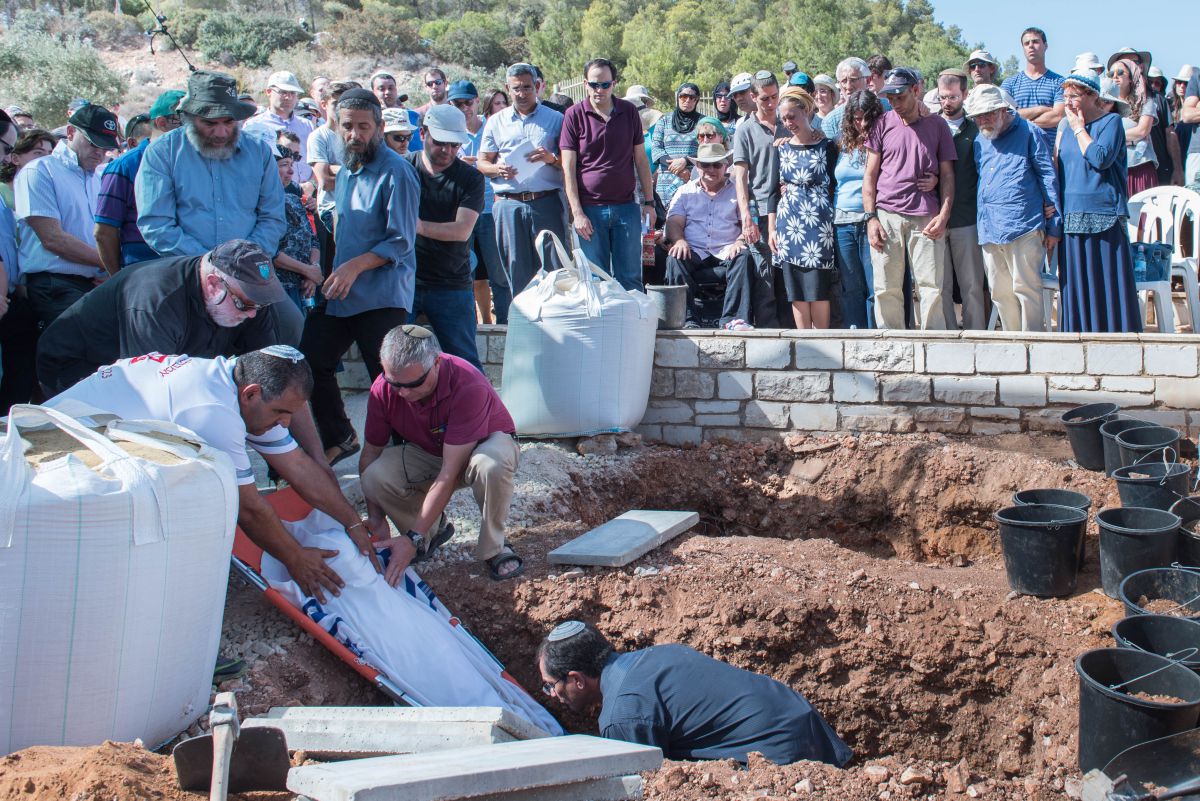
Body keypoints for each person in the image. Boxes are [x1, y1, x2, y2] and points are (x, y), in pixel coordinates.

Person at [46, 346, 381, 602]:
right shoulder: (214, 412)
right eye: (281, 413)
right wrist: (295, 558)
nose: (286, 423)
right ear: (251, 393)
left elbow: (299, 468)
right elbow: (248, 508)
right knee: (205, 497)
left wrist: (352, 522)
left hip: (97, 437)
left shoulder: (240, 389)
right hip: (58, 451)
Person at [537, 620, 852, 767]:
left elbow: (649, 783)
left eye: (551, 684)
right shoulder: (655, 656)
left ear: (577, 679)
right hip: (798, 716)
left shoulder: (622, 715)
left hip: (777, 755)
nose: (550, 694)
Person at [300, 88, 420, 467]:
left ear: (380, 127)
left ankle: (408, 458)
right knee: (310, 361)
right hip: (343, 290)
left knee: (389, 379)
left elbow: (400, 242)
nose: (354, 134)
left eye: (363, 127)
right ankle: (340, 436)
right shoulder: (347, 169)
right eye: (347, 126)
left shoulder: (397, 172)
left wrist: (353, 267)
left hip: (382, 294)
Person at [360, 324, 524, 582]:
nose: (403, 393)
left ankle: (495, 546)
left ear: (436, 363)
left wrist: (410, 538)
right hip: (431, 449)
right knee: (373, 476)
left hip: (482, 445)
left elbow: (449, 473)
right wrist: (376, 517)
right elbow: (370, 453)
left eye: (413, 384)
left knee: (490, 465)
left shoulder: (467, 384)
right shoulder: (384, 389)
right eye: (395, 384)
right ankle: (430, 535)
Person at [37, 239, 297, 394]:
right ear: (213, 284)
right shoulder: (156, 303)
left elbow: (268, 379)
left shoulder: (250, 298)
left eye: (258, 307)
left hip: (149, 370)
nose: (252, 314)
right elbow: (152, 393)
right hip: (80, 366)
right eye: (244, 305)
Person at [135, 71, 286, 267]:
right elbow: (156, 225)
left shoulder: (259, 152)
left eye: (229, 122)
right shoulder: (163, 152)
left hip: (249, 271)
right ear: (189, 117)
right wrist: (210, 264)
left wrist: (244, 260)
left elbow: (273, 217)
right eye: (210, 123)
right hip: (187, 272)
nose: (221, 132)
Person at [863, 68, 956, 330]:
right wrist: (871, 219)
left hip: (926, 215)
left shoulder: (937, 125)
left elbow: (948, 175)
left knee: (931, 286)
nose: (894, 103)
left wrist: (944, 215)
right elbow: (869, 176)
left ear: (916, 91)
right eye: (889, 98)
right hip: (887, 215)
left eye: (899, 96)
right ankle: (891, 344)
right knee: (885, 286)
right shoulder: (882, 123)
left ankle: (933, 346)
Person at [13, 102, 116, 327]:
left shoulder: (98, 178)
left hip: (93, 282)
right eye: (92, 143)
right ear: (70, 133)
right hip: (55, 284)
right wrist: (109, 264)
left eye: (105, 147)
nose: (99, 152)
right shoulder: (39, 171)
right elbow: (53, 239)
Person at [967, 85, 1060, 332]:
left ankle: (1033, 345)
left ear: (1003, 109)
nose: (983, 120)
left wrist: (1054, 225)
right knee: (999, 292)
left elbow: (1047, 176)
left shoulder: (1030, 132)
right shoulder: (980, 138)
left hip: (1024, 224)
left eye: (988, 113)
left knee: (1026, 288)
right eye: (978, 116)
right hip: (989, 226)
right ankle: (1012, 345)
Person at [400, 103, 486, 371]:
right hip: (404, 280)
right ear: (423, 133)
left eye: (455, 144)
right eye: (441, 143)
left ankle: (478, 413)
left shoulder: (470, 178)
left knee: (465, 365)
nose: (448, 151)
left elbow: (461, 230)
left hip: (451, 283)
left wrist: (416, 226)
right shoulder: (403, 168)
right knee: (397, 361)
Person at [560, 58, 656, 292]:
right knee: (594, 281)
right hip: (590, 210)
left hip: (626, 207)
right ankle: (602, 329)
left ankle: (631, 328)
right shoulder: (574, 115)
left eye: (605, 85)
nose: (599, 90)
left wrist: (649, 203)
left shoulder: (629, 112)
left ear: (614, 84)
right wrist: (577, 212)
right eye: (594, 84)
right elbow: (568, 169)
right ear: (585, 84)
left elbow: (641, 160)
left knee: (631, 278)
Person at [1058, 73, 1140, 333]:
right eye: (1065, 96)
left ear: (1093, 96)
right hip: (1072, 216)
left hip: (1104, 213)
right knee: (1078, 285)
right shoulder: (1065, 128)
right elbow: (1061, 172)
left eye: (1075, 96)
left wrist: (1080, 129)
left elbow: (1100, 158)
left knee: (1107, 284)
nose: (1068, 102)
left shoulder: (1111, 122)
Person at [478, 62, 567, 300]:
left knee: (554, 269)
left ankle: (556, 325)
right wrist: (497, 168)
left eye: (527, 87)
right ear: (508, 88)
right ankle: (524, 326)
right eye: (516, 88)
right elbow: (482, 162)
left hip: (547, 202)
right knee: (516, 270)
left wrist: (552, 158)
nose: (522, 93)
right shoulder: (496, 122)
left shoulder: (556, 119)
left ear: (537, 86)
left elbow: (569, 162)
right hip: (509, 205)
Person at [768, 90, 838, 329]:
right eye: (784, 119)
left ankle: (823, 342)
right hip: (789, 224)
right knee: (795, 288)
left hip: (819, 224)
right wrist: (771, 229)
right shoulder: (780, 148)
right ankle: (805, 344)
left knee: (818, 286)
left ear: (806, 111)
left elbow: (834, 184)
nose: (788, 123)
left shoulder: (827, 146)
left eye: (792, 116)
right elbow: (771, 192)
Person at [94, 89, 184, 273]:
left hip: (191, 272)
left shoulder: (197, 164)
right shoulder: (125, 166)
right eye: (187, 121)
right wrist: (119, 280)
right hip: (144, 275)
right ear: (162, 123)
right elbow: (104, 232)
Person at [664, 142, 752, 330]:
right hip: (694, 250)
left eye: (717, 164)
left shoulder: (737, 190)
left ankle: (733, 320)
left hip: (728, 249)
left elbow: (746, 223)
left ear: (725, 166)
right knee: (674, 257)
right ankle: (685, 319)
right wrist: (679, 240)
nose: (711, 169)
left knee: (743, 256)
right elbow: (673, 222)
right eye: (705, 165)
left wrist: (740, 240)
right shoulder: (685, 191)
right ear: (697, 167)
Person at [452, 81, 510, 326]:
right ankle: (466, 327)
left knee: (499, 275)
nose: (464, 107)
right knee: (464, 275)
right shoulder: (448, 133)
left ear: (477, 101)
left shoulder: (493, 126)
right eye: (458, 103)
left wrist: (485, 165)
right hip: (459, 213)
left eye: (468, 101)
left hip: (489, 209)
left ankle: (506, 327)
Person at [732, 70, 787, 328]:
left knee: (788, 279)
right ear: (753, 97)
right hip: (760, 211)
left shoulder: (790, 122)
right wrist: (746, 218)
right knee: (764, 280)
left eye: (775, 96)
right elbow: (740, 178)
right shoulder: (744, 130)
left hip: (791, 211)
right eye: (765, 98)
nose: (771, 103)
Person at [937, 70, 987, 330]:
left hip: (967, 216)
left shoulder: (976, 129)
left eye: (953, 97)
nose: (947, 102)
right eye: (943, 97)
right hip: (934, 217)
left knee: (971, 286)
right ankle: (945, 339)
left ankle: (977, 337)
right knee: (939, 287)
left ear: (965, 95)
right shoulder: (930, 126)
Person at [834, 90, 885, 329]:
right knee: (850, 287)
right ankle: (855, 336)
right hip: (842, 221)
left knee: (875, 286)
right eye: (855, 118)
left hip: (871, 219)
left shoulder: (884, 139)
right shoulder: (839, 144)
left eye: (866, 117)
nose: (861, 123)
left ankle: (875, 336)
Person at [309, 80, 360, 280]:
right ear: (324, 105)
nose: (340, 109)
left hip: (358, 205)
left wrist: (335, 168)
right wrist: (355, 173)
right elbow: (325, 180)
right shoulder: (319, 137)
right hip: (331, 208)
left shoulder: (355, 135)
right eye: (335, 103)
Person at [245, 71, 316, 189]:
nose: (288, 97)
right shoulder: (255, 126)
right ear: (268, 92)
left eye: (293, 93)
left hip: (307, 196)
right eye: (283, 92)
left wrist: (311, 184)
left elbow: (316, 160)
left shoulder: (307, 125)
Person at [272, 145, 322, 313]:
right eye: (284, 165)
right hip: (278, 287)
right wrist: (308, 271)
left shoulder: (294, 200)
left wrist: (313, 269)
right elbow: (270, 251)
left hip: (303, 286)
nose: (291, 172)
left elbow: (313, 241)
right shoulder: (258, 204)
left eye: (291, 165)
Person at [1000, 27, 1065, 153]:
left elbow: (1057, 116)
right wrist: (1041, 109)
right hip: (1018, 154)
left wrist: (1018, 119)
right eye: (1026, 43)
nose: (1031, 46)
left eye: (1035, 42)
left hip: (1049, 154)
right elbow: (1004, 117)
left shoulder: (1059, 82)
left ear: (1045, 46)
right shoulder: (1010, 83)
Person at [1110, 59, 1160, 195]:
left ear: (1132, 78)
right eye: (1111, 73)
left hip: (1140, 167)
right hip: (1115, 168)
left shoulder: (1146, 101)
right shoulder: (1106, 105)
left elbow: (1142, 130)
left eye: (1120, 72)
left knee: (1142, 215)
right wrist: (1130, 139)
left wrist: (1111, 138)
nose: (1114, 76)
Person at [651, 83, 702, 211]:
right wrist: (678, 169)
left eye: (692, 97)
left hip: (692, 180)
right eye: (683, 96)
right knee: (667, 227)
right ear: (678, 97)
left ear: (697, 100)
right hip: (666, 183)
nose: (688, 100)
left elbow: (707, 150)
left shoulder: (703, 122)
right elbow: (656, 149)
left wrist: (685, 160)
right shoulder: (664, 121)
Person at [370, 70, 422, 152]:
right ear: (373, 93)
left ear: (396, 90)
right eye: (381, 89)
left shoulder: (413, 116)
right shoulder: (371, 120)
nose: (387, 92)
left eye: (391, 88)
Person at [822, 57, 872, 140]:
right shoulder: (831, 121)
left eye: (853, 80)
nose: (848, 87)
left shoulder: (887, 110)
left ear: (868, 80)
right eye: (844, 81)